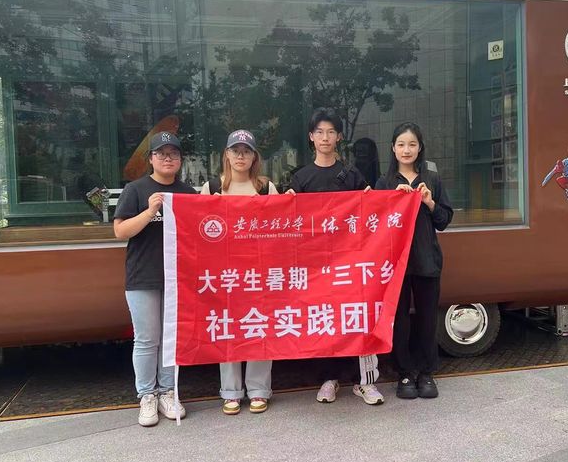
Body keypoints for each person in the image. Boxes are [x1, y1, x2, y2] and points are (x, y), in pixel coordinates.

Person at [286, 108, 383, 405]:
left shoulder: (353, 175)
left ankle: (363, 381)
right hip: (316, 264)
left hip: (350, 261)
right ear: (311, 137)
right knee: (324, 319)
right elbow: (289, 219)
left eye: (331, 132)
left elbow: (370, 212)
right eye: (320, 132)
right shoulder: (300, 178)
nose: (325, 137)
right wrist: (284, 203)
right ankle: (329, 379)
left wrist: (378, 200)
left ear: (339, 137)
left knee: (356, 317)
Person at [113, 132, 197, 426]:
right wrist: (150, 211)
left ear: (180, 159)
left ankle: (167, 392)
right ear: (151, 159)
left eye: (173, 153)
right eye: (161, 153)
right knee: (147, 338)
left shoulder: (188, 193)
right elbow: (120, 231)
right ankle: (146, 395)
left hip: (178, 279)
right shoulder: (135, 190)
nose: (167, 158)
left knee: (171, 338)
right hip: (142, 278)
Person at [201, 129, 277, 415]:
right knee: (228, 327)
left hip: (259, 270)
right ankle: (231, 391)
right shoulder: (212, 187)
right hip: (225, 272)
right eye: (236, 150)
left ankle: (259, 389)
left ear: (254, 156)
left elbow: (281, 227)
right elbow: (198, 228)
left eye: (246, 151)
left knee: (258, 326)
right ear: (227, 154)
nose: (241, 156)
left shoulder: (266, 187)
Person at [375, 123, 453, 399]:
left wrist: (429, 203)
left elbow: (444, 220)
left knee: (427, 320)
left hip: (426, 260)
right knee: (400, 321)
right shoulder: (384, 183)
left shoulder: (432, 179)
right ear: (393, 148)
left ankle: (426, 373)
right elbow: (375, 225)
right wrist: (392, 201)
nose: (406, 150)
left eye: (411, 144)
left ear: (420, 148)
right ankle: (405, 373)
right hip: (395, 264)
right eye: (401, 144)